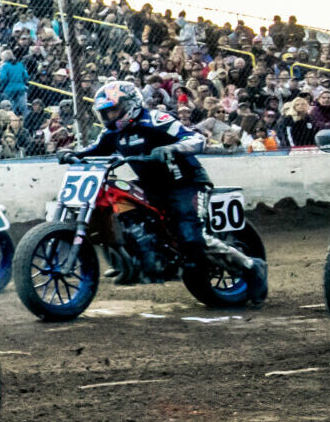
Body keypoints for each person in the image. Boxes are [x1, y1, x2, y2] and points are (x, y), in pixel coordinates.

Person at [64, 80, 264, 289]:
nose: (109, 117)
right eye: (105, 113)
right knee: (116, 200)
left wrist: (173, 148)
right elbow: (94, 149)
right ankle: (136, 257)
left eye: (113, 111)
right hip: (151, 186)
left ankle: (251, 267)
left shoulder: (155, 119)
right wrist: (72, 154)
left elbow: (196, 139)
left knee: (193, 239)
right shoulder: (113, 133)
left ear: (130, 104)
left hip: (185, 183)